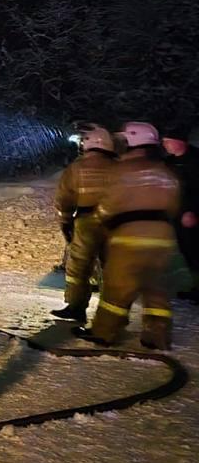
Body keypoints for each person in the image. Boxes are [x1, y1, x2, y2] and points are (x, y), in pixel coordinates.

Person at [78, 122, 181, 350]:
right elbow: (174, 206)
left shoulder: (121, 170)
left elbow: (107, 205)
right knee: (156, 288)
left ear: (131, 142)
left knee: (117, 287)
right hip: (163, 238)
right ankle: (157, 335)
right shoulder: (166, 171)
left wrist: (96, 223)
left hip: (130, 237)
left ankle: (104, 332)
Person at [50, 126, 117, 324]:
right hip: (114, 221)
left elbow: (64, 197)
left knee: (79, 265)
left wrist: (66, 221)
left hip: (87, 221)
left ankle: (76, 307)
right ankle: (111, 313)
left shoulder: (77, 167)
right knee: (111, 267)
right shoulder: (119, 166)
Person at [163, 124, 199, 301]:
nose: (165, 145)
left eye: (168, 141)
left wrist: (193, 211)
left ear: (179, 142)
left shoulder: (195, 160)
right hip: (177, 214)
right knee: (187, 251)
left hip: (192, 216)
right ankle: (196, 286)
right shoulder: (169, 162)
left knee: (196, 250)